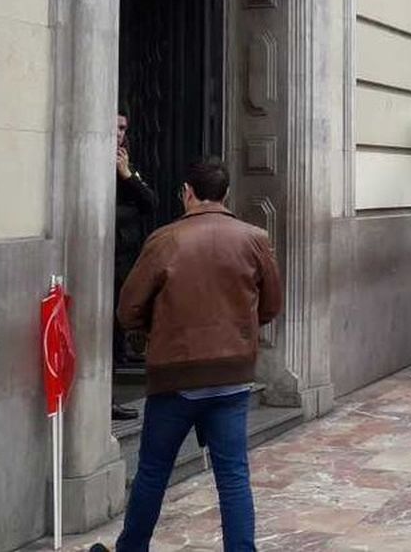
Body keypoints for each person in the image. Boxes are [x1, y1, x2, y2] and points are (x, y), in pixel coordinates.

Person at [110, 159, 281, 552]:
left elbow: (128, 309)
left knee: (153, 472)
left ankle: (131, 548)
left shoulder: (166, 239)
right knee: (234, 475)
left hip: (176, 375)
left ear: (187, 191)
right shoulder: (254, 237)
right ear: (225, 195)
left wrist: (156, 327)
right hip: (232, 375)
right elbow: (271, 304)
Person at [114, 108, 158, 421]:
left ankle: (110, 398)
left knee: (116, 330)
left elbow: (149, 203)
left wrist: (127, 175)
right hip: (102, 260)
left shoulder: (124, 165)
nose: (119, 133)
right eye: (115, 126)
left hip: (123, 262)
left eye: (123, 127)